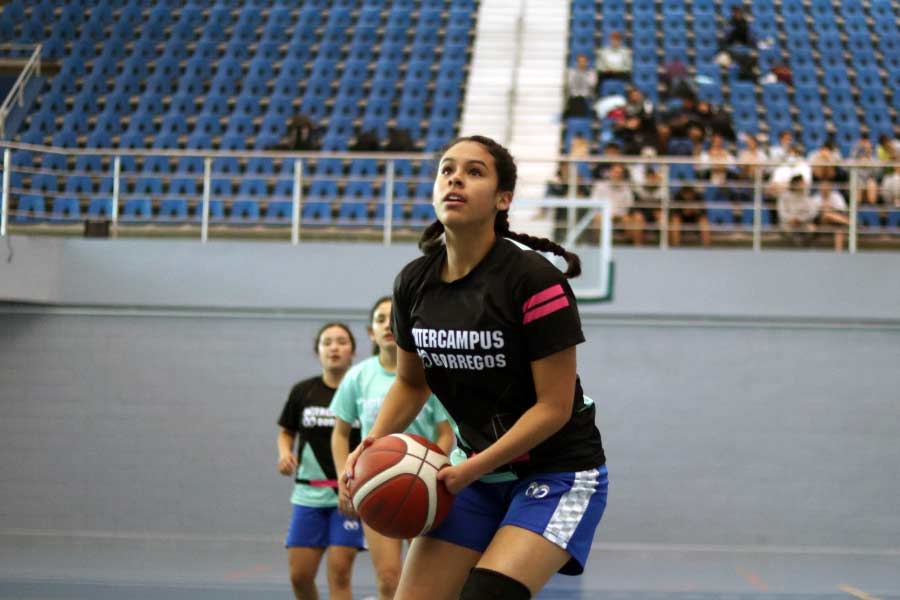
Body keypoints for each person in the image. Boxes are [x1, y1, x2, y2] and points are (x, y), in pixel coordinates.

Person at [340, 135, 608, 600]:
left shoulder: (533, 280)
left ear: (503, 199)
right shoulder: (414, 282)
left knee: (486, 594)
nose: (455, 178)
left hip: (560, 470)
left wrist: (467, 470)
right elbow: (410, 382)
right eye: (446, 169)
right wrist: (372, 442)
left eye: (474, 171)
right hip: (477, 472)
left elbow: (554, 407)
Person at [330, 296, 455, 600]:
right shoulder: (358, 377)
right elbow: (340, 434)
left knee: (426, 580)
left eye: (393, 318)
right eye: (381, 319)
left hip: (425, 484)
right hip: (377, 482)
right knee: (388, 578)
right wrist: (343, 479)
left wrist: (434, 469)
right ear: (371, 333)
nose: (388, 324)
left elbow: (445, 433)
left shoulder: (426, 375)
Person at [277, 323, 364, 600]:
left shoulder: (360, 391)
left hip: (346, 497)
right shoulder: (303, 391)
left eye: (341, 341)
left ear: (353, 350)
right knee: (300, 576)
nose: (334, 347)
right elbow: (286, 432)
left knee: (339, 576)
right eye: (327, 342)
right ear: (318, 351)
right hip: (308, 496)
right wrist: (284, 453)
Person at [594, 163, 644, 245]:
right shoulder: (600, 186)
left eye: (620, 173)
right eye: (615, 172)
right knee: (598, 218)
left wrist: (619, 215)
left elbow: (629, 205)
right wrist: (609, 214)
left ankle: (637, 247)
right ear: (610, 173)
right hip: (604, 215)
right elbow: (595, 204)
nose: (617, 175)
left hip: (621, 215)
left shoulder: (626, 187)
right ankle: (600, 247)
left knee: (636, 219)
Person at [810, 180, 849, 251]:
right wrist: (823, 209)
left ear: (830, 188)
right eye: (823, 187)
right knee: (826, 214)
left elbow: (842, 211)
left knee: (839, 231)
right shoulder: (815, 199)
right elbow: (813, 215)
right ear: (820, 188)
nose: (825, 189)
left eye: (827, 187)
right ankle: (850, 223)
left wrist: (831, 209)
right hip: (820, 222)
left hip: (835, 223)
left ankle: (839, 253)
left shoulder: (836, 196)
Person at [563, 54, 596, 119]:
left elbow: (592, 84)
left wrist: (585, 74)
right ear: (577, 62)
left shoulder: (591, 72)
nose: (582, 63)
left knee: (582, 101)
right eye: (580, 61)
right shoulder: (571, 72)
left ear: (586, 63)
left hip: (585, 96)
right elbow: (570, 84)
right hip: (574, 96)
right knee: (575, 100)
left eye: (584, 61)